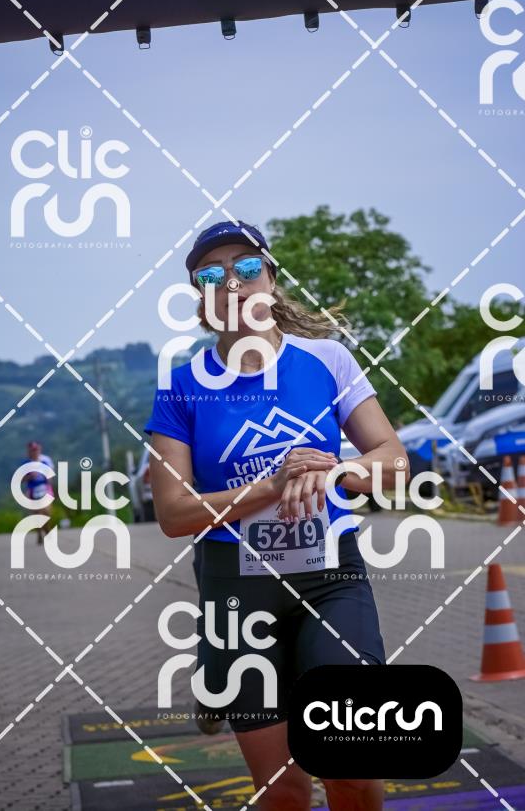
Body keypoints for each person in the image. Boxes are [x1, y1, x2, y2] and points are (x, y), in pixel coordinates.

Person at [146, 220, 409, 811]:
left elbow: (394, 461)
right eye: (211, 275)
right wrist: (272, 485)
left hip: (330, 579)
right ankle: (218, 663)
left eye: (246, 268)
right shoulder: (181, 387)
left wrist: (333, 472)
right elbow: (173, 513)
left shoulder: (326, 360)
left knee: (349, 764)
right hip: (236, 592)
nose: (231, 283)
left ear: (270, 279)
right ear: (200, 298)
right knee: (285, 789)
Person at [20, 441, 54, 544]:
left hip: (45, 488)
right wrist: (30, 476)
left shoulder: (45, 461)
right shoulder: (26, 464)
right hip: (32, 490)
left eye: (36, 450)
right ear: (29, 451)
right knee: (37, 514)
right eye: (32, 450)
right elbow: (21, 479)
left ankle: (46, 530)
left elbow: (51, 476)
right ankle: (40, 533)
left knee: (46, 511)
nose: (35, 452)